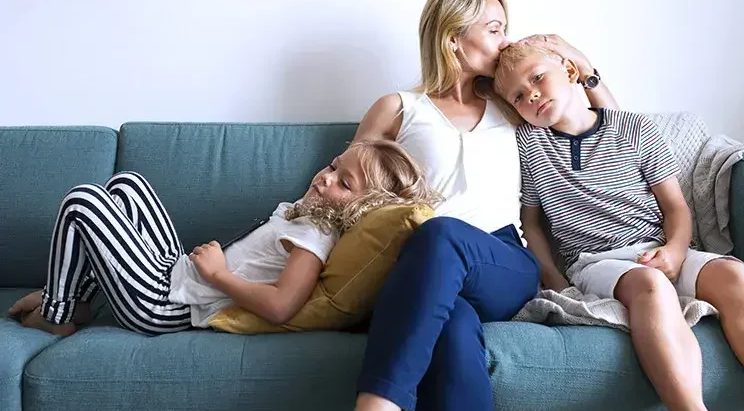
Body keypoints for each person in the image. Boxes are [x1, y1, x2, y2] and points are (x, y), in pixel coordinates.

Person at [492, 40, 744, 411]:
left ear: (571, 73)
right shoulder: (529, 145)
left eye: (538, 77)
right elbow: (531, 224)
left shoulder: (634, 128)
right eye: (519, 95)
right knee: (651, 285)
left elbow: (676, 207)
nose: (532, 93)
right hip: (596, 261)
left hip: (659, 245)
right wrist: (553, 277)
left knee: (732, 275)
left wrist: (674, 250)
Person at [344, 0, 618, 411]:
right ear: (453, 37)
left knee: (441, 232)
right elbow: (344, 192)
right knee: (449, 331)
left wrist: (584, 66)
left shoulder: (514, 105)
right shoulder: (399, 109)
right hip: (421, 268)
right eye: (494, 29)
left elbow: (608, 133)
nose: (506, 40)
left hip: (503, 262)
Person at [8, 139, 438, 337]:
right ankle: (76, 298)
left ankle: (57, 312)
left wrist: (218, 276)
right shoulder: (305, 213)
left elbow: (282, 305)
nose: (326, 179)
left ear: (365, 207)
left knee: (84, 202)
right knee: (127, 185)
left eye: (344, 184)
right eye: (332, 166)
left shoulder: (316, 233)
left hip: (165, 305)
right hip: (174, 272)